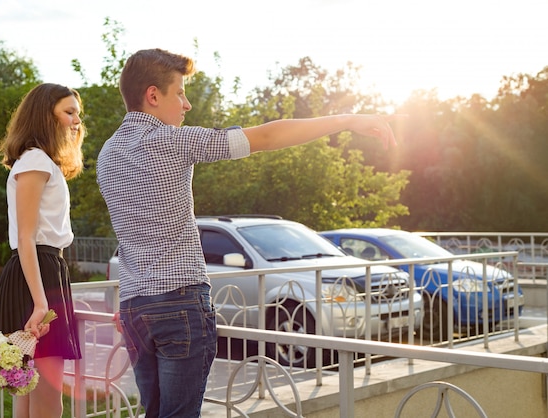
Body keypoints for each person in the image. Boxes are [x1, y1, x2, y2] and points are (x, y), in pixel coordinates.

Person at [96, 48, 400, 418]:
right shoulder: (170, 141)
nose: (187, 104)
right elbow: (268, 137)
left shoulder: (108, 153)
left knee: (154, 412)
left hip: (134, 307)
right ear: (153, 95)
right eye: (179, 93)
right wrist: (348, 119)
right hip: (178, 303)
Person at [0, 83, 85, 418]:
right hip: (37, 276)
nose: (76, 121)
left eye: (77, 113)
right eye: (68, 112)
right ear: (46, 116)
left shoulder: (38, 161)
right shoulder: (36, 161)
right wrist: (42, 302)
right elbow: (27, 238)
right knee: (46, 395)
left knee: (30, 393)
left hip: (41, 273)